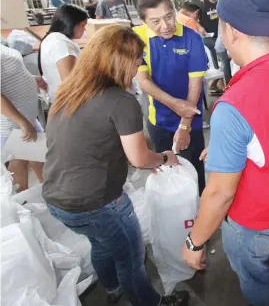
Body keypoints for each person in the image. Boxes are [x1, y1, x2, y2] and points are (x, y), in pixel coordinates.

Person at [181, 0, 269, 306]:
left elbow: (220, 192)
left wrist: (195, 243)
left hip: (254, 220)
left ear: (232, 32)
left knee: (254, 279)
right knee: (263, 261)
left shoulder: (237, 103)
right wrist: (230, 148)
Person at [42, 25, 189, 306]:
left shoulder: (69, 91)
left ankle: (111, 288)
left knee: (100, 243)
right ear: (121, 61)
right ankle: (152, 302)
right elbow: (139, 158)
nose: (139, 65)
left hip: (57, 199)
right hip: (99, 203)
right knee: (132, 259)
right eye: (137, 60)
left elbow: (87, 140)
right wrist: (164, 157)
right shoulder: (121, 102)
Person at [134, 0, 207, 193]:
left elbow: (195, 86)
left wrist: (184, 126)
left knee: (194, 172)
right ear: (143, 21)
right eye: (155, 21)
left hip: (191, 120)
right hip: (159, 120)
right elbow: (144, 81)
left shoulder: (191, 38)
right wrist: (175, 104)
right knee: (167, 171)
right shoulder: (138, 37)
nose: (165, 26)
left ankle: (199, 213)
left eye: (168, 17)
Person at [1, 45, 46, 192]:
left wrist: (33, 80)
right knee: (19, 163)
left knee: (39, 158)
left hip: (27, 117)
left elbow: (10, 74)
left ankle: (48, 195)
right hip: (13, 123)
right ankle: (22, 206)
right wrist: (22, 122)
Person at [38, 4, 88, 103]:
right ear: (71, 23)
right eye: (83, 25)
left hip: (61, 101)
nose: (85, 29)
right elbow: (70, 83)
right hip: (69, 103)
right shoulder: (62, 45)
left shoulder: (54, 38)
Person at [201, 0, 220, 73]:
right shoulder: (202, 4)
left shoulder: (220, 4)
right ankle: (216, 75)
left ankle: (218, 78)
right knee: (212, 55)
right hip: (206, 35)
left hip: (218, 35)